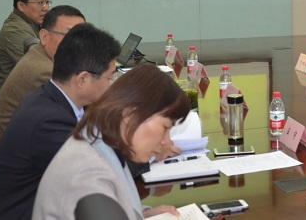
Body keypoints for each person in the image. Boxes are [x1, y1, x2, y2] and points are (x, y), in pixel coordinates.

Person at [0, 23, 120, 220]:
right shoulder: (49, 121)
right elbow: (96, 172)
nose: (112, 85)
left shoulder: (52, 97)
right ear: (82, 79)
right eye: (110, 77)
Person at [32, 63, 190, 219]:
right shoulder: (89, 175)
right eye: (165, 127)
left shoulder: (102, 141)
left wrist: (143, 215)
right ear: (131, 114)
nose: (167, 142)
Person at [0, 5, 85, 154]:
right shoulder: (45, 71)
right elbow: (80, 107)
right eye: (67, 35)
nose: (77, 43)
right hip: (19, 157)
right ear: (44, 37)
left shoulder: (43, 54)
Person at [0, 0, 50, 93]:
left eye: (47, 2)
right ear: (21, 6)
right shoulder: (15, 31)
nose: (45, 8)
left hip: (28, 94)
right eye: (40, 2)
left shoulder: (33, 24)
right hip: (14, 99)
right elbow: (38, 69)